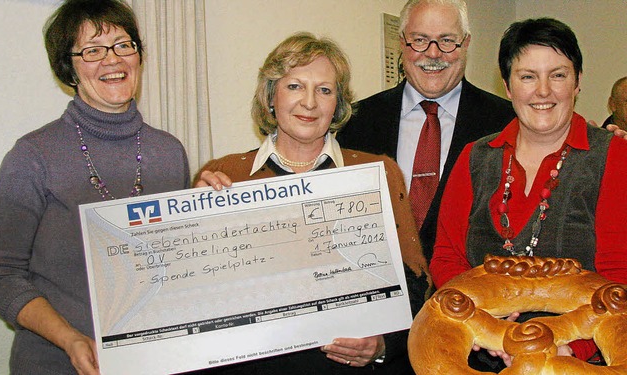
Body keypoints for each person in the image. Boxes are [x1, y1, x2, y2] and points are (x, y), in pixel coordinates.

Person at [192, 32, 430, 375]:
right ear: (270, 96)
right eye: (294, 86)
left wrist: (382, 345)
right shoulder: (223, 175)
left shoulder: (377, 173)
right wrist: (198, 221)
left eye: (324, 90)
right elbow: (201, 294)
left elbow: (415, 284)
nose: (309, 103)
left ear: (338, 104)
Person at [0, 0, 190, 373]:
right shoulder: (33, 156)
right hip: (56, 362)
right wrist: (69, 338)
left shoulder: (169, 152)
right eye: (92, 50)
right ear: (69, 68)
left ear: (138, 56)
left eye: (123, 45)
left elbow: (175, 263)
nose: (112, 60)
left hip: (150, 361)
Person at [430, 17, 627, 368]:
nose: (543, 91)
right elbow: (448, 258)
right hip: (480, 354)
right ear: (507, 86)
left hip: (577, 357)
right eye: (527, 76)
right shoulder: (474, 157)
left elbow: (618, 276)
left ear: (578, 81)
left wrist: (569, 349)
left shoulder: (614, 157)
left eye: (558, 75)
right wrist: (488, 331)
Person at [335, 0, 516, 262]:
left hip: (471, 294)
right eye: (419, 40)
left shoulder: (506, 124)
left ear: (466, 43)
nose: (433, 54)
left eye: (447, 40)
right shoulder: (355, 123)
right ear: (401, 42)